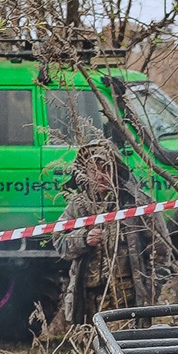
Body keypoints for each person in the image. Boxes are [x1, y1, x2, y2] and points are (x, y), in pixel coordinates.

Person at [55, 139, 128, 332]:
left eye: (105, 169)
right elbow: (60, 242)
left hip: (126, 301)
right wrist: (83, 239)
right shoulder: (78, 206)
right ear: (85, 174)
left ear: (115, 171)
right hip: (88, 299)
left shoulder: (135, 204)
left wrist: (149, 290)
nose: (100, 177)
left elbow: (160, 252)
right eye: (93, 171)